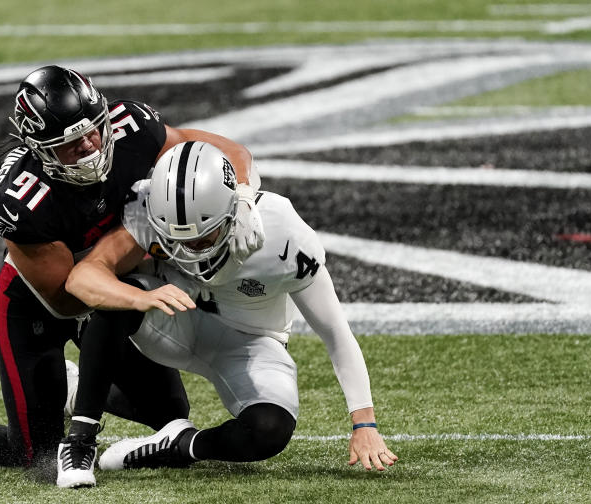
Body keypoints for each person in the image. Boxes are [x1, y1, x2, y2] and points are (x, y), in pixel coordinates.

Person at [0, 66, 264, 480]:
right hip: (38, 306)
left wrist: (243, 196)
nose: (88, 146)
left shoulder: (132, 126)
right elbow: (70, 295)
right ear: (40, 148)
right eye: (69, 143)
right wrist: (141, 244)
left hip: (108, 285)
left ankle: (68, 388)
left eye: (92, 131)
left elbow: (226, 153)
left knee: (170, 411)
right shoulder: (20, 199)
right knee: (34, 455)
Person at [55, 141, 397, 488]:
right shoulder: (145, 208)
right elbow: (85, 277)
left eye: (203, 239)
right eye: (177, 240)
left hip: (252, 341)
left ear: (233, 211)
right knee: (118, 299)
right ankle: (80, 439)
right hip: (175, 316)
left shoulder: (281, 232)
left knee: (270, 429)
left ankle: (180, 445)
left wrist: (364, 423)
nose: (190, 251)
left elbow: (335, 332)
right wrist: (135, 296)